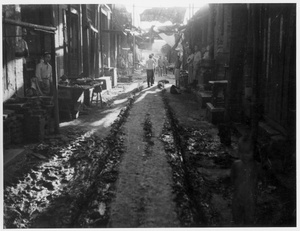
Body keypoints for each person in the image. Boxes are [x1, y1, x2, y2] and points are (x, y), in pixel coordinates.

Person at [231, 133, 260, 226]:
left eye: (248, 153)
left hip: (250, 200)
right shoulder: (236, 164)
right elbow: (233, 178)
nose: (244, 155)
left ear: (253, 152)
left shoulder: (256, 166)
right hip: (237, 198)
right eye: (241, 152)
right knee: (236, 219)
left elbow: (260, 180)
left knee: (249, 221)